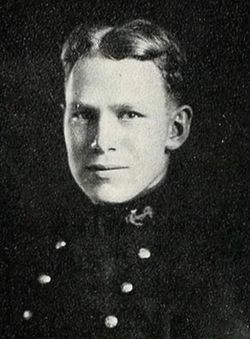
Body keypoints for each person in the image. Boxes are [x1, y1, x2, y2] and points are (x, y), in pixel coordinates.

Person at [1, 19, 249, 338]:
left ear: (175, 129)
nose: (102, 141)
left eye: (128, 114)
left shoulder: (225, 261)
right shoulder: (24, 251)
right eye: (83, 115)